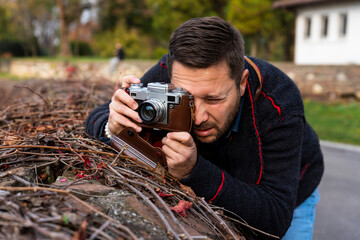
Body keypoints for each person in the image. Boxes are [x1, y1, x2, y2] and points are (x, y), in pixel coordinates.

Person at [86, 17, 324, 239]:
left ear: (241, 83)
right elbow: (97, 116)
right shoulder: (169, 73)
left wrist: (194, 172)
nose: (198, 118)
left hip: (289, 190)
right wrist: (112, 126)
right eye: (186, 98)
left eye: (213, 99)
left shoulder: (279, 104)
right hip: (217, 177)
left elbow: (275, 218)